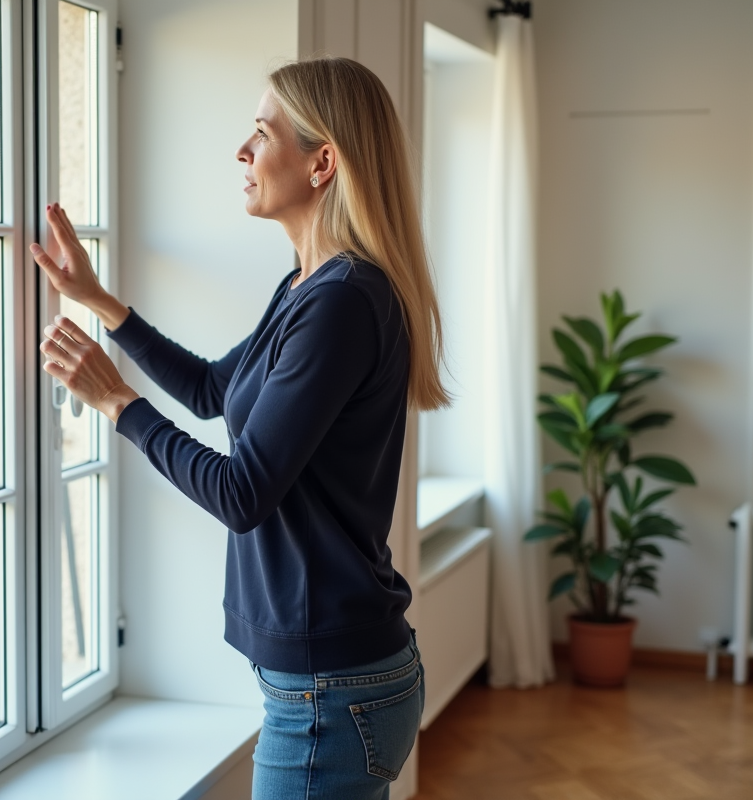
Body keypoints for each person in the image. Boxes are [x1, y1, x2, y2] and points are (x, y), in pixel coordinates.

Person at [30, 56, 448, 800]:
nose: (242, 152)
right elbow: (212, 389)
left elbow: (242, 491)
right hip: (330, 684)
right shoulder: (307, 286)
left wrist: (115, 402)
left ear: (322, 163)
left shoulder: (342, 303)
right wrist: (98, 300)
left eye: (261, 134)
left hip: (331, 692)